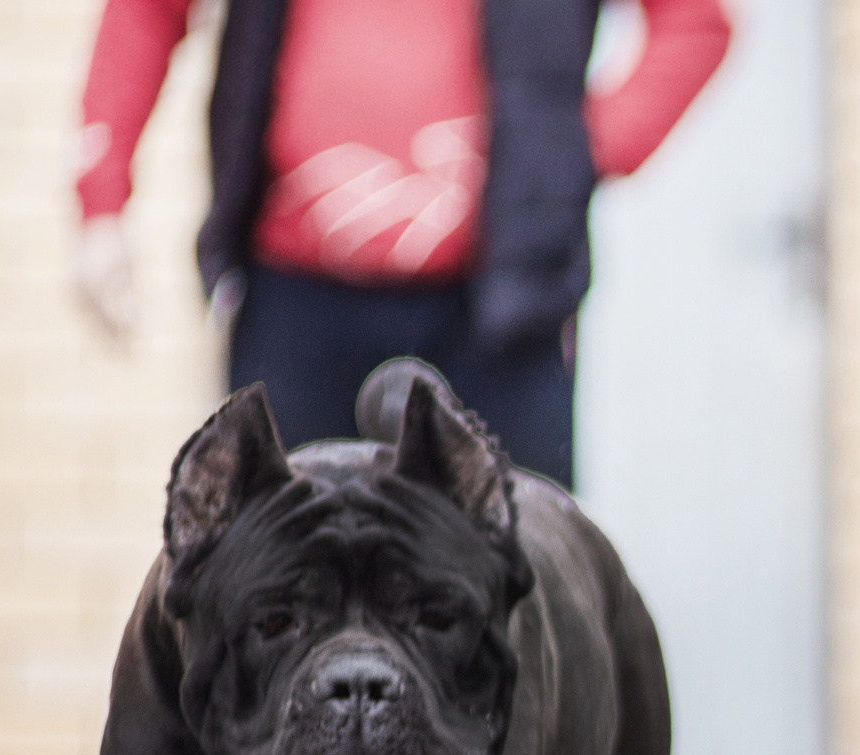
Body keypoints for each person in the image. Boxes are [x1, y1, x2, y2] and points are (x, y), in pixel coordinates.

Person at [74, 0, 732, 484]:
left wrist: (575, 153)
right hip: (294, 309)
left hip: (500, 317)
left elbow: (696, 22)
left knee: (515, 593)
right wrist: (100, 204)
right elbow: (145, 12)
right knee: (279, 590)